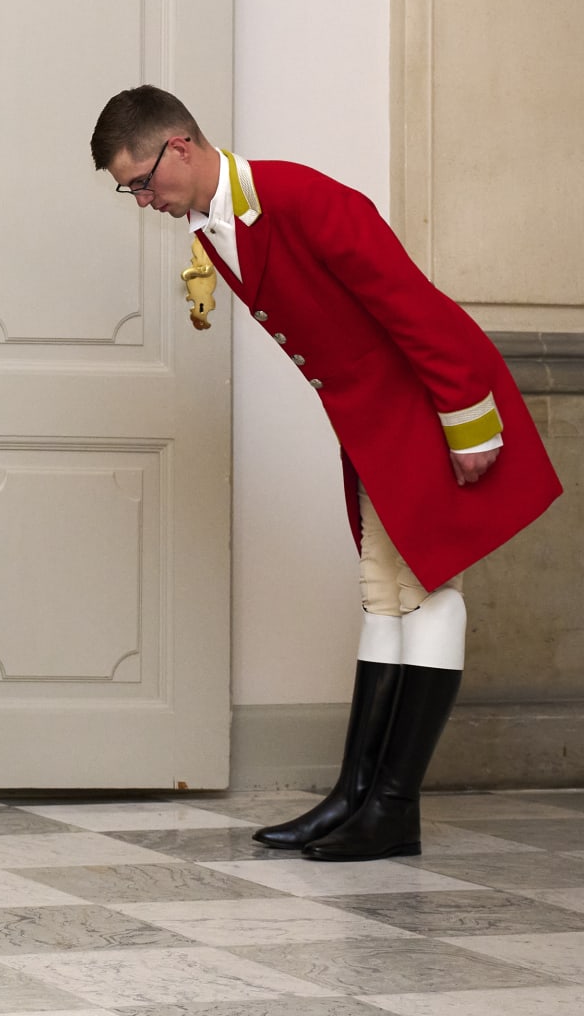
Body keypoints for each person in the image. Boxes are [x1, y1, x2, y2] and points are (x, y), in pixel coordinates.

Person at [91, 84, 562, 861]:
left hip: (425, 407)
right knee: (384, 595)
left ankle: (394, 809)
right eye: (129, 191)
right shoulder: (212, 225)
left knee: (428, 592)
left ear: (179, 146)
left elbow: (411, 303)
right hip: (372, 423)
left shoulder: (300, 196)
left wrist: (468, 417)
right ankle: (356, 796)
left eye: (141, 182)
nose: (142, 201)